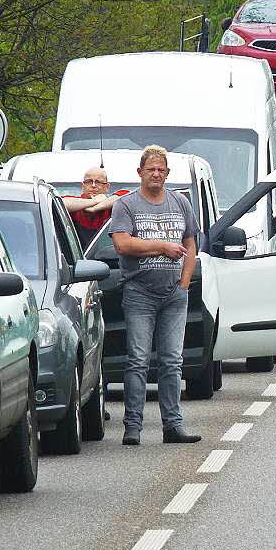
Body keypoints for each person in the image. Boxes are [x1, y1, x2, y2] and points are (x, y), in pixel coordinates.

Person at [110, 145, 201, 445]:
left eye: (161, 170)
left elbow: (191, 243)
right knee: (137, 360)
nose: (156, 174)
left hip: (174, 293)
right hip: (139, 293)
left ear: (167, 173)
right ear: (140, 172)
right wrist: (161, 246)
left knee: (172, 361)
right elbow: (122, 244)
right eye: (151, 169)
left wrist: (185, 281)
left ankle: (173, 426)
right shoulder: (126, 205)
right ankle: (132, 427)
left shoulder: (181, 203)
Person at [63, 166, 128, 248]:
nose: (93, 185)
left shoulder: (113, 206)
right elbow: (60, 203)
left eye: (98, 182)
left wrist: (96, 208)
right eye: (89, 182)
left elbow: (127, 195)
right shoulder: (75, 204)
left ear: (107, 187)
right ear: (83, 186)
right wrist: (94, 201)